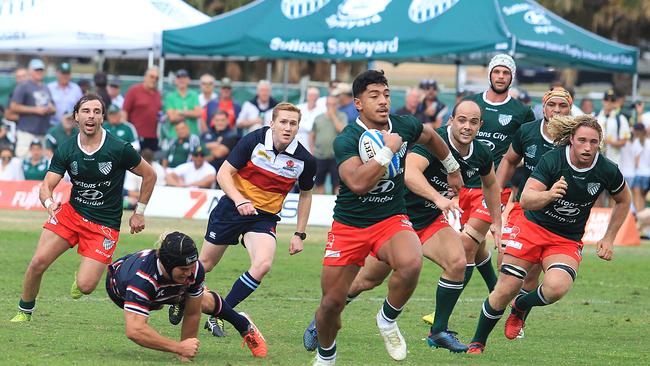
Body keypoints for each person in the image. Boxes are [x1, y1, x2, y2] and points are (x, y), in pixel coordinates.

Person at [304, 100, 498, 355]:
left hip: (429, 221)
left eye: (473, 122)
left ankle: (437, 331)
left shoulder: (481, 152)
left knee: (458, 261)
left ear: (480, 126)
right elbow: (411, 174)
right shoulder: (435, 142)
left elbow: (492, 184)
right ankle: (322, 319)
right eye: (461, 120)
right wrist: (439, 198)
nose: (466, 127)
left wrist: (497, 222)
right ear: (450, 120)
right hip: (395, 219)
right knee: (366, 280)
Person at [466, 114, 632, 354]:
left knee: (556, 287)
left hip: (565, 239)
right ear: (571, 140)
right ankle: (477, 343)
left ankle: (521, 305)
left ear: (600, 143)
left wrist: (609, 237)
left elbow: (624, 199)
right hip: (531, 228)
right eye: (582, 140)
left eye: (593, 142)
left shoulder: (606, 169)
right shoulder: (553, 160)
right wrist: (550, 194)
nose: (587, 147)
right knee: (506, 287)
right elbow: (527, 199)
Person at [169, 102, 316, 337]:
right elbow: (223, 173)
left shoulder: (305, 160)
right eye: (283, 122)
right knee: (204, 265)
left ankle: (219, 314)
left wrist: (299, 233)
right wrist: (239, 200)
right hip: (231, 208)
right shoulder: (253, 141)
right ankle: (177, 295)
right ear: (272, 124)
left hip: (264, 217)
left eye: (293, 123)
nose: (288, 127)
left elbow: (306, 195)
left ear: (298, 127)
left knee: (263, 264)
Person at [10, 94, 157, 323]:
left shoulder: (119, 148)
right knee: (37, 262)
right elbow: (46, 186)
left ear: (102, 117)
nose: (91, 115)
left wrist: (139, 211)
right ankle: (24, 311)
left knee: (86, 286)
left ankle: (79, 281)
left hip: (104, 225)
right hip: (71, 214)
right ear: (76, 116)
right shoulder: (67, 149)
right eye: (86, 111)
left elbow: (150, 174)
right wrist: (50, 204)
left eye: (97, 111)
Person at [106, 231, 267, 360]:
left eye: (192, 266)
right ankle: (179, 299)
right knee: (149, 314)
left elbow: (192, 313)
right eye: (184, 269)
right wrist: (178, 347)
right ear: (168, 265)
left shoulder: (194, 269)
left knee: (202, 301)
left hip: (167, 286)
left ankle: (244, 325)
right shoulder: (142, 280)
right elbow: (134, 330)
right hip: (119, 289)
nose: (190, 272)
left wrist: (185, 353)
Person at [494, 87, 573, 338]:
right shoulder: (528, 131)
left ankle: (519, 313)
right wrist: (496, 192)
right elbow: (508, 159)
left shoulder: (577, 137)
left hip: (555, 217)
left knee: (531, 275)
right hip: (525, 208)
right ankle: (499, 306)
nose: (557, 111)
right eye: (553, 106)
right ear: (544, 106)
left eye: (563, 106)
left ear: (570, 108)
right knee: (505, 260)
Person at [460, 53, 535, 295]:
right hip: (463, 185)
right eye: (497, 71)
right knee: (479, 248)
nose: (501, 76)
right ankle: (496, 293)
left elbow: (527, 148)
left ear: (511, 77)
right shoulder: (471, 103)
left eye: (506, 72)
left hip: (494, 188)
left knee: (466, 245)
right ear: (490, 74)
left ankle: (442, 316)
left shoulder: (522, 112)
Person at [10, 58, 56, 158]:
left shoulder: (45, 87)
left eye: (41, 70)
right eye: (36, 70)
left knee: (41, 163)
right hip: (26, 132)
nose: (39, 72)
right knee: (23, 159)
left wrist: (51, 108)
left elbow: (53, 108)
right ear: (30, 71)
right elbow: (13, 106)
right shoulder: (24, 86)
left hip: (42, 132)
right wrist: (35, 110)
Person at [310, 95, 347, 194]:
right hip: (320, 156)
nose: (331, 107)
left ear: (337, 105)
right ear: (326, 104)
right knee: (319, 183)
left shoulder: (342, 116)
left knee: (337, 184)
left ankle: (335, 206)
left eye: (334, 104)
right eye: (329, 104)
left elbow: (343, 130)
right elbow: (312, 135)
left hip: (336, 157)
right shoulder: (318, 118)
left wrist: (333, 116)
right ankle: (322, 205)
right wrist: (312, 150)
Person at [123, 67, 162, 151]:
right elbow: (125, 111)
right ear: (145, 77)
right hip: (136, 136)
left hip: (153, 137)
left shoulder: (158, 94)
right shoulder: (134, 90)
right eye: (152, 77)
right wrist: (126, 133)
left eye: (156, 78)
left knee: (150, 163)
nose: (154, 80)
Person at [163, 69, 202, 138]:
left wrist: (180, 112)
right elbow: (172, 118)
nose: (181, 80)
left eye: (184, 78)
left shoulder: (194, 95)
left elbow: (198, 113)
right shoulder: (170, 96)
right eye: (179, 78)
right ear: (175, 81)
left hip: (192, 135)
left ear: (188, 80)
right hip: (175, 136)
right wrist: (191, 113)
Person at [596, 89, 630, 168]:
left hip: (613, 160)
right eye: (606, 99)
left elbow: (624, 141)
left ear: (615, 102)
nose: (609, 102)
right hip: (596, 161)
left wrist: (609, 142)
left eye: (612, 100)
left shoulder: (621, 119)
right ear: (602, 101)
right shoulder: (595, 116)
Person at [202, 109, 239, 174]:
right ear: (213, 121)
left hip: (222, 171)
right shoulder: (206, 134)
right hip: (203, 170)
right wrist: (215, 144)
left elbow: (218, 153)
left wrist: (204, 147)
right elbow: (196, 148)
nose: (220, 123)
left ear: (227, 120)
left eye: (222, 120)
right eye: (217, 120)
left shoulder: (232, 136)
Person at [297, 87, 326, 153]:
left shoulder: (322, 111)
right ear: (307, 96)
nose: (312, 98)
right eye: (310, 95)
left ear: (318, 97)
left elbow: (313, 128)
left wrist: (302, 126)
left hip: (313, 143)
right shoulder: (299, 107)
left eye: (315, 96)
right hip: (298, 140)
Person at [631, 123, 650, 213]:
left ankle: (638, 224)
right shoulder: (649, 142)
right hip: (648, 175)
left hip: (639, 175)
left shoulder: (636, 143)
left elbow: (636, 162)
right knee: (643, 201)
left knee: (637, 202)